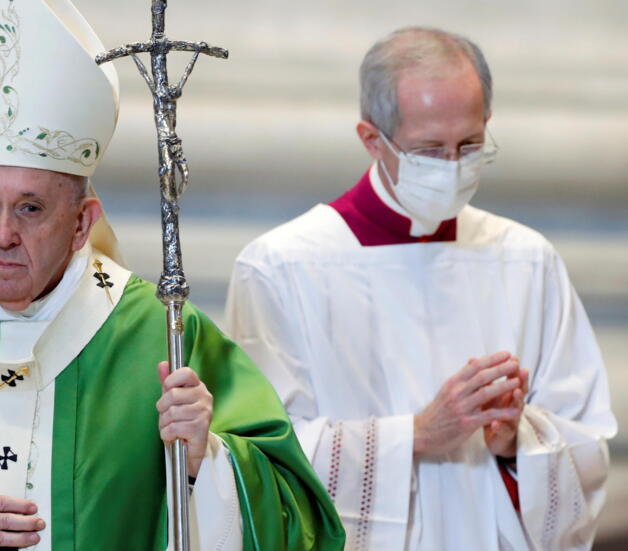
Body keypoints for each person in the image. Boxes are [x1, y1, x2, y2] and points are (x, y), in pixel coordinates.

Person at [0, 1, 344, 550]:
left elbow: (301, 523)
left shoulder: (161, 335)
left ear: (81, 222)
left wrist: (206, 462)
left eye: (30, 208)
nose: (2, 236)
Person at [226, 26, 616, 551]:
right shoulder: (281, 267)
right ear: (371, 139)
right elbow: (263, 458)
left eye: (470, 145)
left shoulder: (527, 258)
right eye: (430, 150)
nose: (453, 167)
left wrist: (514, 443)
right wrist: (417, 434)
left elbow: (586, 438)